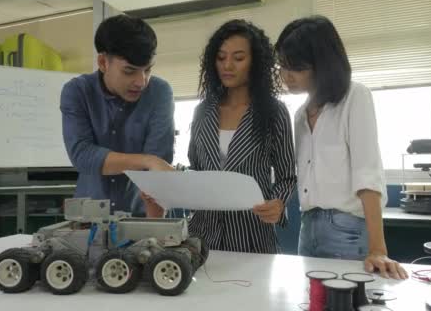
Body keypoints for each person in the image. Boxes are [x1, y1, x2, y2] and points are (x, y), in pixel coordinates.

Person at [145, 19, 296, 254]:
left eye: (238, 58)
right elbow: (197, 170)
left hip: (252, 235)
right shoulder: (203, 111)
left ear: (255, 62)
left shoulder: (274, 112)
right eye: (221, 57)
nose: (227, 65)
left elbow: (287, 176)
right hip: (203, 236)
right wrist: (165, 185)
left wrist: (278, 203)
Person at [275, 15, 408, 279]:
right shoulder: (300, 115)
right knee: (310, 301)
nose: (285, 76)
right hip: (308, 226)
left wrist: (378, 248)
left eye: (296, 68)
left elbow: (367, 173)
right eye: (282, 66)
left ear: (321, 64)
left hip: (346, 229)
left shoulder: (354, 97)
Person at [60, 14, 175, 217]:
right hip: (88, 219)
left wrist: (155, 232)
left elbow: (158, 169)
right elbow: (82, 155)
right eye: (129, 71)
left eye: (147, 70)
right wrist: (147, 161)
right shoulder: (77, 91)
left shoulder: (160, 93)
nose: (141, 82)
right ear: (103, 62)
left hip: (141, 217)